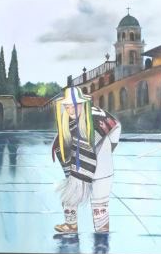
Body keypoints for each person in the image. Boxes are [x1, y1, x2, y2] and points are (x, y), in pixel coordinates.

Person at [50, 85, 121, 236]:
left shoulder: (97, 115)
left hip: (102, 169)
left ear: (82, 103)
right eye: (67, 107)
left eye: (74, 106)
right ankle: (71, 225)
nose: (71, 110)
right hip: (79, 168)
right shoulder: (66, 122)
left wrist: (110, 147)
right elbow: (63, 143)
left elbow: (116, 126)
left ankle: (102, 235)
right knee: (70, 196)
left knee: (99, 205)